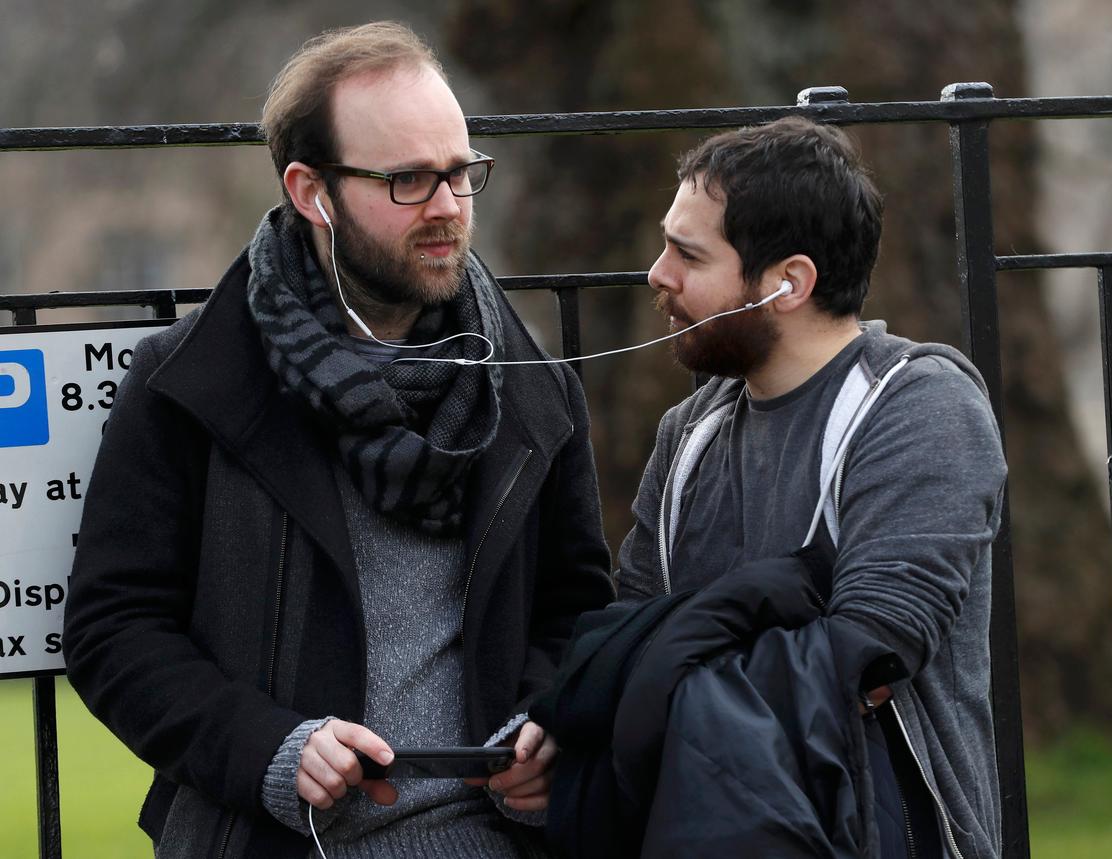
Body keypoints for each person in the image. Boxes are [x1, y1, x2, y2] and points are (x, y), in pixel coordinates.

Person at [63, 21, 613, 859]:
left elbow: (577, 613)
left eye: (462, 174)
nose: (447, 208)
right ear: (309, 190)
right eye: (407, 180)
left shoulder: (534, 390)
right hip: (272, 838)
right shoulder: (190, 384)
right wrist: (271, 751)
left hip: (495, 841)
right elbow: (114, 630)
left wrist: (546, 728)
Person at [608, 117, 1007, 857]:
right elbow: (627, 637)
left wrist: (661, 671)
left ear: (788, 282)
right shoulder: (688, 431)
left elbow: (863, 653)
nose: (658, 275)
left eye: (687, 254)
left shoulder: (919, 407)